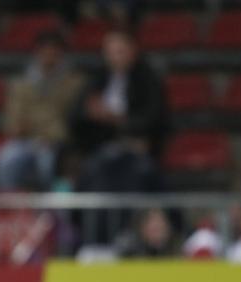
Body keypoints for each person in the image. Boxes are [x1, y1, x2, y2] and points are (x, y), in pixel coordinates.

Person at [71, 27, 170, 193]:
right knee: (91, 172)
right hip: (99, 147)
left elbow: (155, 118)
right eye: (110, 52)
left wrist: (118, 120)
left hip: (139, 148)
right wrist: (90, 114)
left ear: (133, 51)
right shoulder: (97, 78)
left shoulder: (148, 79)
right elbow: (76, 115)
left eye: (120, 51)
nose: (114, 57)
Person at [0, 30, 83, 192]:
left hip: (59, 142)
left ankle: (52, 206)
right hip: (26, 141)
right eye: (45, 51)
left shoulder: (74, 84)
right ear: (37, 53)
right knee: (5, 158)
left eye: (53, 52)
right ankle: (8, 203)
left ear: (61, 54)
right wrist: (24, 130)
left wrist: (48, 135)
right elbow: (14, 121)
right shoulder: (21, 84)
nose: (49, 56)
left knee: (47, 163)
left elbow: (70, 119)